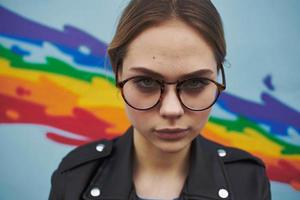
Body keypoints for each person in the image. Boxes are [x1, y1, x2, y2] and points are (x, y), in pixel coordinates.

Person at [49, 0, 271, 199]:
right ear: (119, 74)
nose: (172, 109)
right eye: (146, 82)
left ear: (217, 74)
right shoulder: (75, 177)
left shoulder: (248, 180)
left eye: (195, 83)